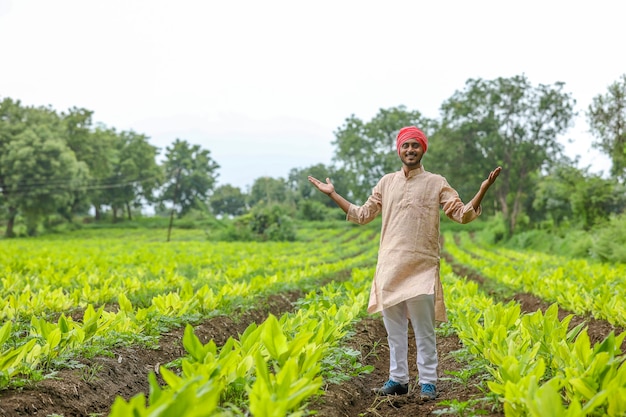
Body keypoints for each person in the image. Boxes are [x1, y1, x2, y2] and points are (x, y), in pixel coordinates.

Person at [308, 126, 501, 401]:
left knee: (424, 330)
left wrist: (482, 191)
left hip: (421, 266)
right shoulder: (386, 182)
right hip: (390, 266)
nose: (410, 150)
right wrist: (332, 194)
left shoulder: (436, 182)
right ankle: (398, 380)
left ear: (423, 149)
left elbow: (461, 214)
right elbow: (362, 215)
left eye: (415, 145)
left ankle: (428, 382)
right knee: (394, 332)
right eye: (405, 146)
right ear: (399, 150)